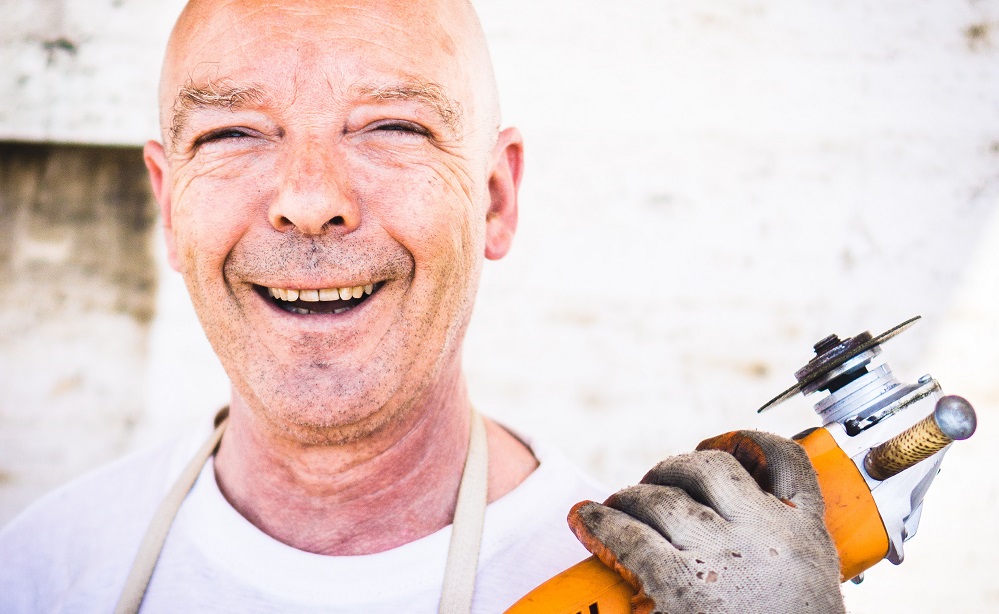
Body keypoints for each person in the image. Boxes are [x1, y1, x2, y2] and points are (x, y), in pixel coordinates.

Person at [0, 1, 845, 612]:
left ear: (494, 197)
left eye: (392, 128)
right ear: (170, 205)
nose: (308, 199)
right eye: (232, 134)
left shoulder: (641, 590)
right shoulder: (43, 568)